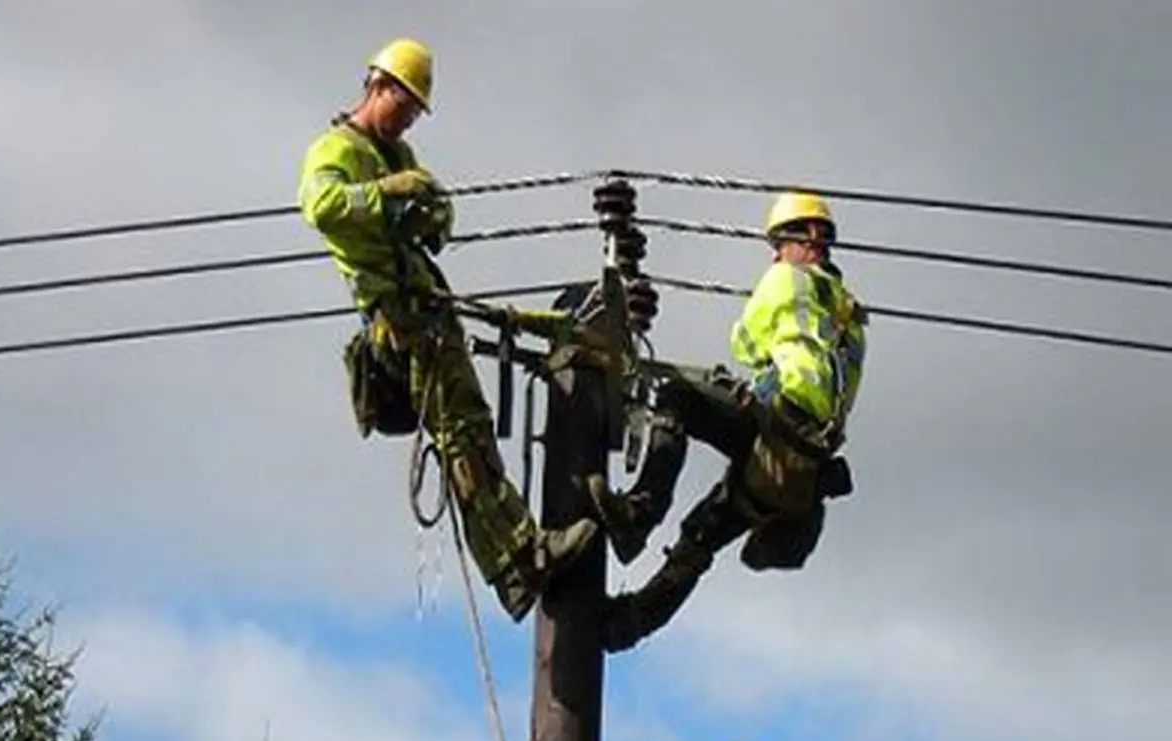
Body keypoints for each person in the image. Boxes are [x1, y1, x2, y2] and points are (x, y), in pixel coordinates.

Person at [297, 37, 598, 623]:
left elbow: (436, 208)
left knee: (471, 433)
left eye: (415, 111)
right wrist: (385, 195)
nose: (408, 118)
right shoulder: (335, 149)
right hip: (399, 323)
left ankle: (518, 561)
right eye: (404, 104)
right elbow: (319, 206)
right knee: (463, 437)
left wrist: (434, 211)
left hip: (429, 311)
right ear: (378, 86)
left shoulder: (401, 156)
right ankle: (519, 558)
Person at [586, 191, 868, 652]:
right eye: (810, 232)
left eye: (810, 235)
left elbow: (746, 341)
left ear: (777, 244)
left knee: (677, 396)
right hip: (801, 470)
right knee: (700, 536)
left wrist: (759, 366)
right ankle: (628, 624)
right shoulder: (852, 320)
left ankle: (640, 512)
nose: (812, 240)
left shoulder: (784, 279)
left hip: (780, 422)